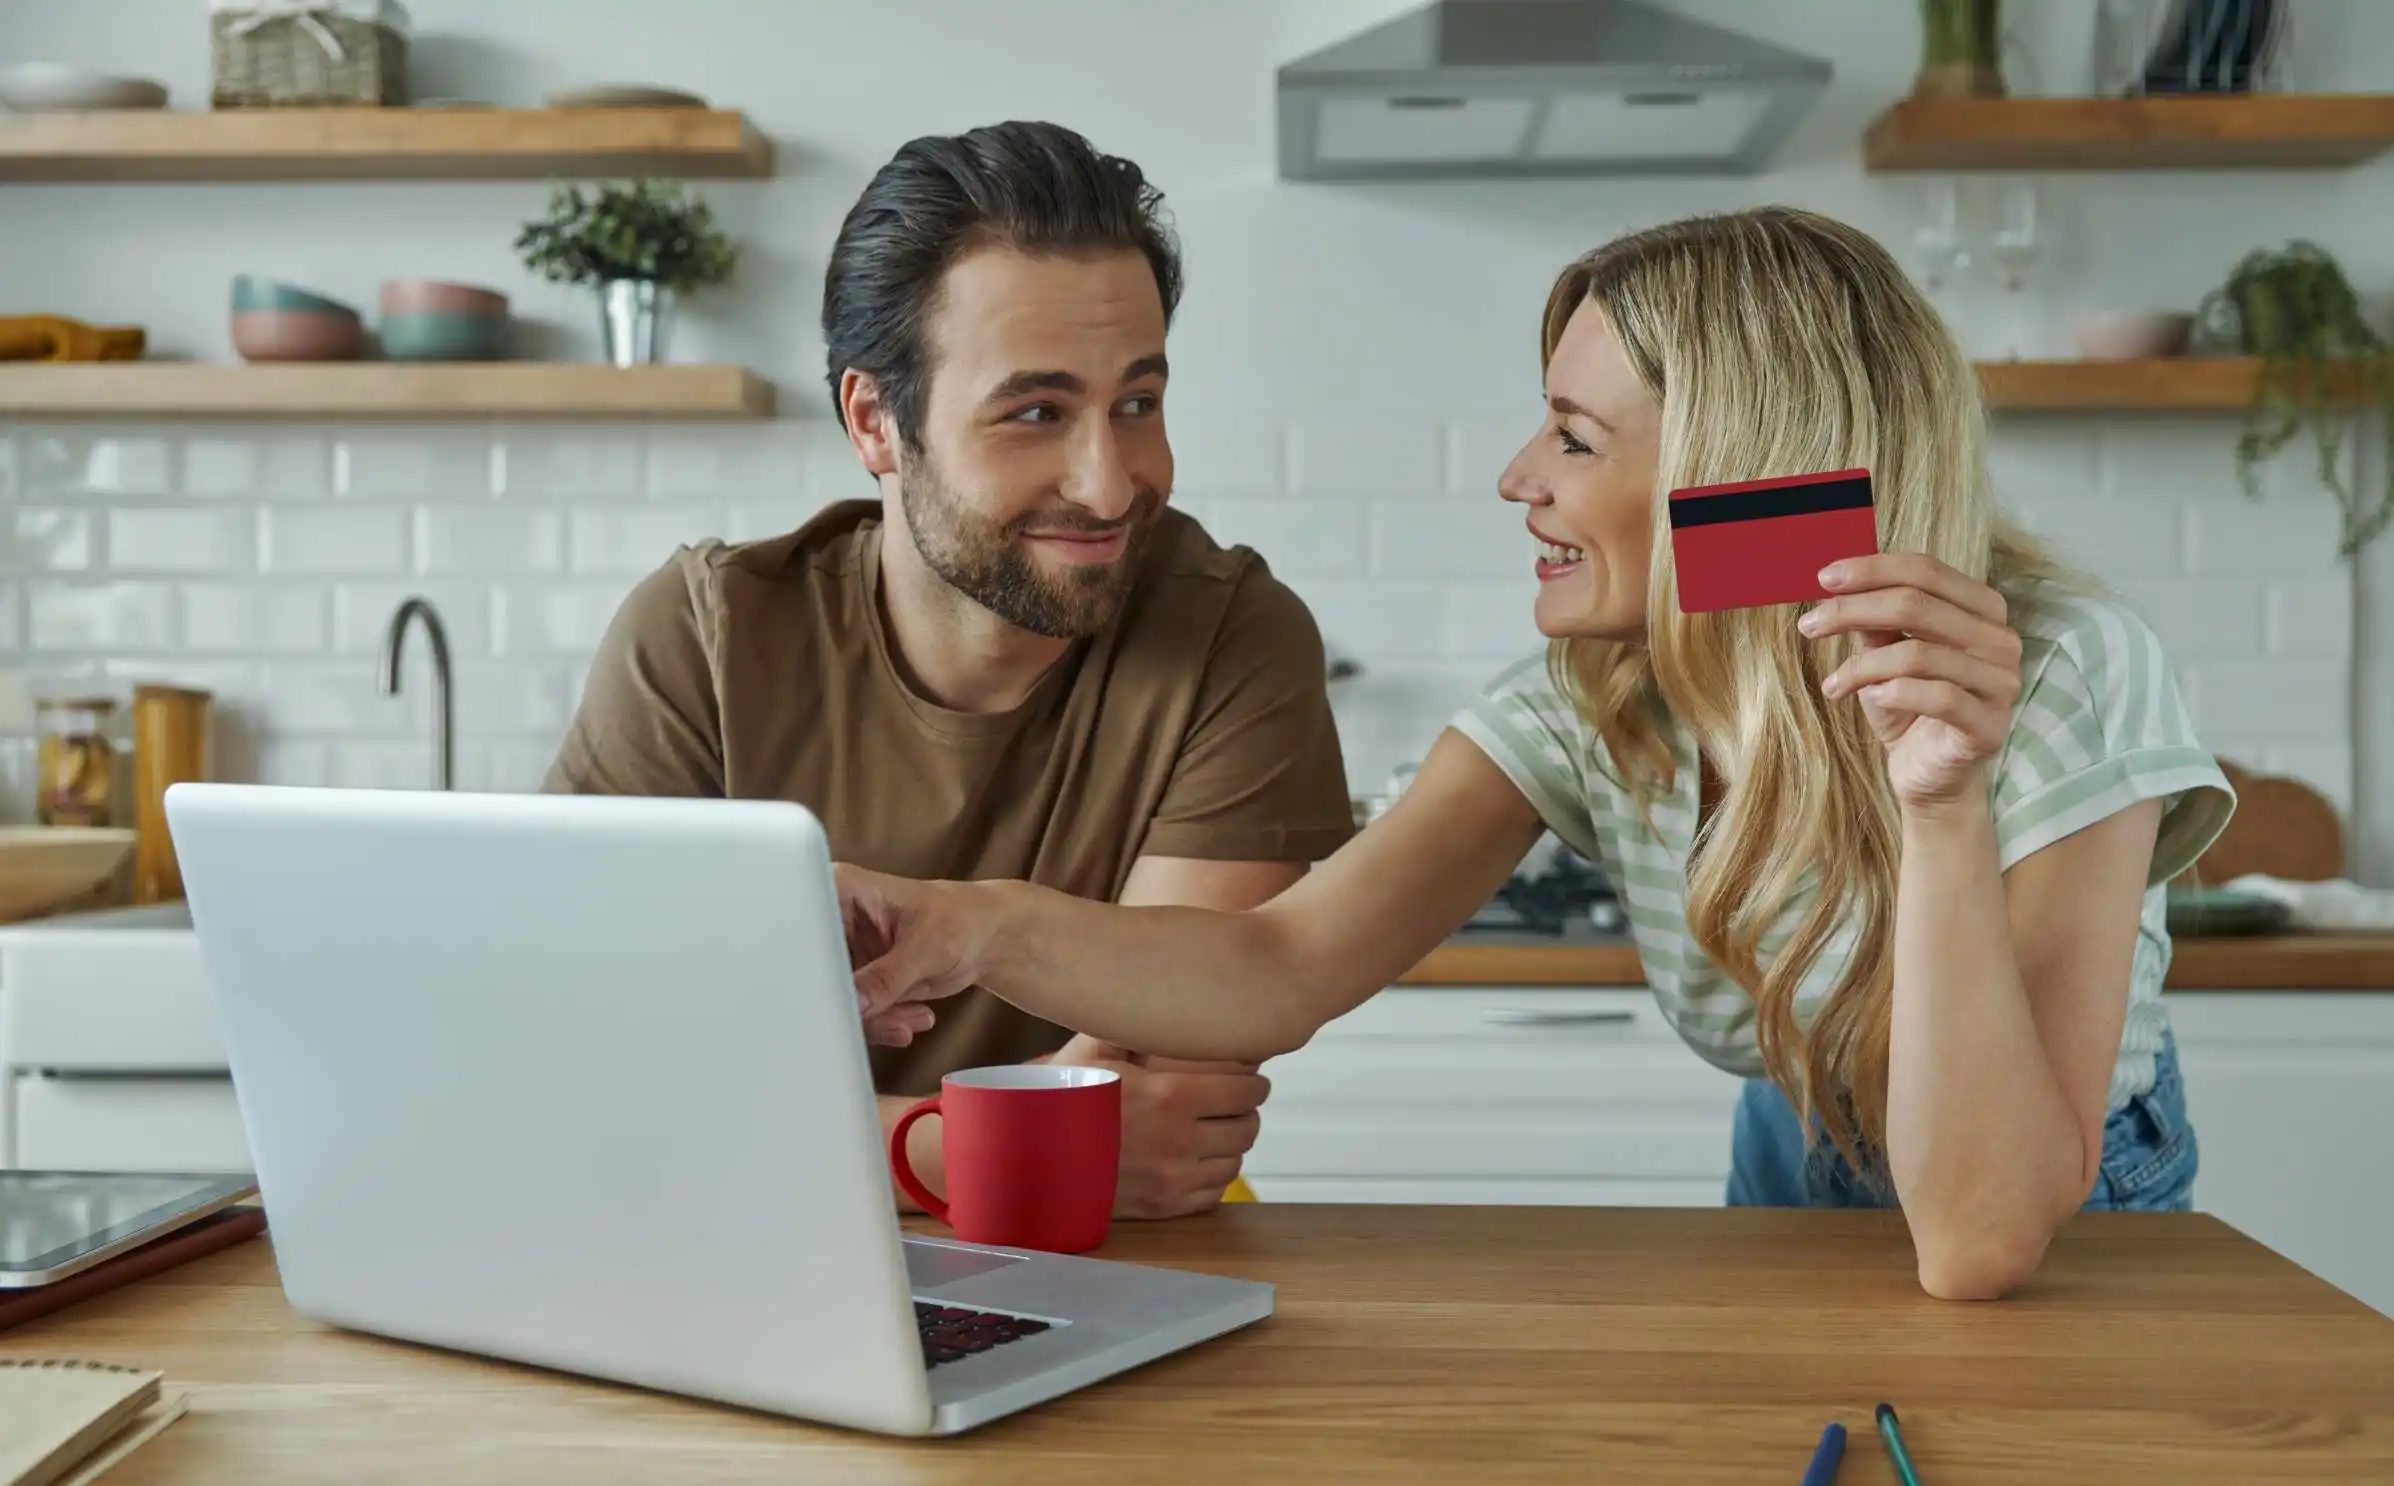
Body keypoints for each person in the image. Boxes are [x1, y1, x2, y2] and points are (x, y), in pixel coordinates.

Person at [839, 206, 2239, 1301]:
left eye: (1573, 437)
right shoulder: (1595, 695)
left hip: (2052, 1196)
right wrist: (971, 929)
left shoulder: (2054, 675)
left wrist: (1936, 805)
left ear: (1744, 475)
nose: (1520, 475)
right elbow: (1279, 965)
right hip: (1794, 1138)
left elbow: (1980, 1240)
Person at [544, 121, 1356, 1220]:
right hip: (739, 1240)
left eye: (1137, 405)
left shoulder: (1232, 636)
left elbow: (1147, 1089)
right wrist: (949, 1156)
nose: (1111, 485)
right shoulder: (705, 639)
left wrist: (787, 1132)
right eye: (1037, 413)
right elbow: (589, 1072)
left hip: (1119, 1258)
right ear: (877, 421)